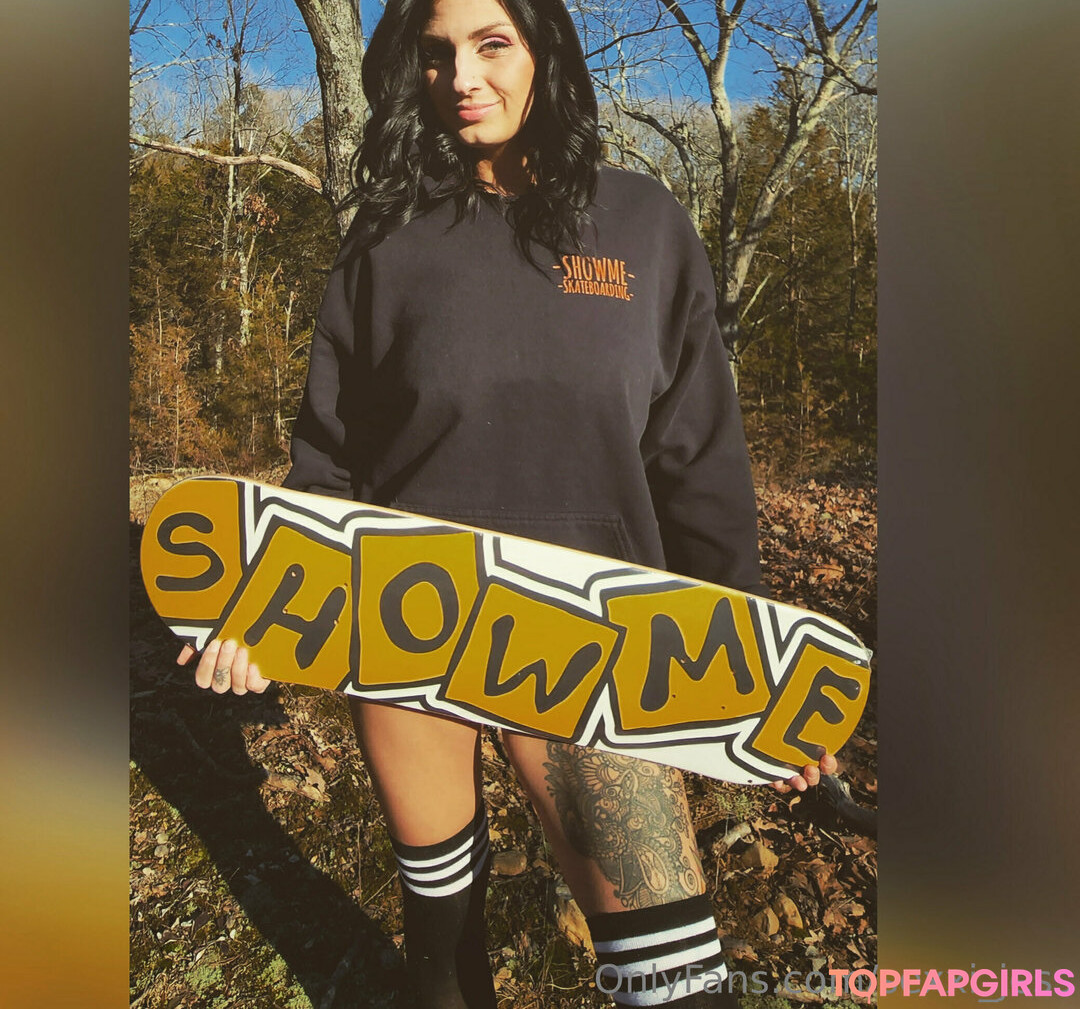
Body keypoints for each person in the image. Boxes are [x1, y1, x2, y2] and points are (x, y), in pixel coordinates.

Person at [179, 0, 835, 1004]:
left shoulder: (644, 225)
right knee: (443, 949)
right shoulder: (385, 239)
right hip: (407, 627)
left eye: (493, 44)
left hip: (595, 639)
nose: (462, 78)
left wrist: (759, 670)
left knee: (677, 981)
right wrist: (268, 607)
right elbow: (330, 459)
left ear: (545, 53)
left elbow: (699, 458)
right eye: (435, 53)